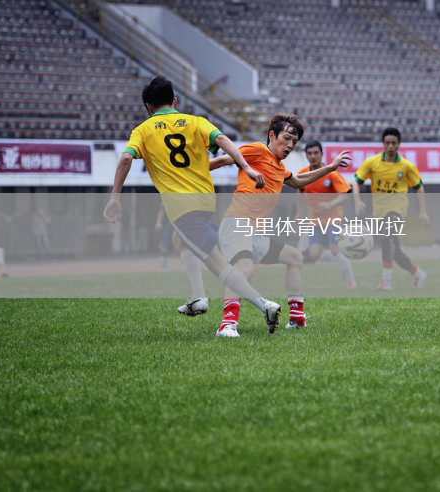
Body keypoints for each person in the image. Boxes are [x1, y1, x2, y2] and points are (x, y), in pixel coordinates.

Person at [103, 75, 281, 337]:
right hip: (205, 202)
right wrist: (246, 167)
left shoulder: (143, 130)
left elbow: (125, 160)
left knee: (218, 265)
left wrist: (114, 198)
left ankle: (264, 306)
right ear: (175, 101)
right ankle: (199, 297)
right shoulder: (196, 122)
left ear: (148, 106)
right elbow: (223, 141)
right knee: (179, 240)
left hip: (182, 208)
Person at [210, 114, 351, 335]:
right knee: (245, 268)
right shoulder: (258, 150)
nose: (290, 145)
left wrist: (331, 167)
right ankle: (227, 324)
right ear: (272, 135)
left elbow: (298, 181)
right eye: (286, 138)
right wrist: (188, 175)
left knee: (294, 257)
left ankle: (296, 318)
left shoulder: (279, 167)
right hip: (237, 223)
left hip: (256, 232)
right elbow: (221, 161)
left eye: (294, 141)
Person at [351, 127, 430, 290]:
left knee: (387, 237)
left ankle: (386, 281)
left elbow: (419, 188)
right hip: (379, 212)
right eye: (388, 143)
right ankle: (418, 274)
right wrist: (357, 201)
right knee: (395, 252)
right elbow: (356, 182)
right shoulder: (372, 163)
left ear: (399, 144)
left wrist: (423, 211)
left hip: (398, 209)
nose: (391, 146)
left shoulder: (406, 166)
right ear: (383, 144)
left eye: (394, 143)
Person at [294, 140, 357, 288]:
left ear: (321, 154)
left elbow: (345, 196)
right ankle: (344, 256)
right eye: (309, 153)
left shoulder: (331, 174)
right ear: (306, 155)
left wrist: (329, 204)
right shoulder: (303, 174)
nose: (313, 156)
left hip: (333, 219)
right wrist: (298, 213)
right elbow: (300, 191)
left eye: (316, 153)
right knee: (314, 254)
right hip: (315, 221)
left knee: (335, 249)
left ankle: (350, 281)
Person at [155, 203, 174, 273]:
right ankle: (163, 268)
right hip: (170, 224)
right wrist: (158, 222)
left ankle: (186, 266)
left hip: (181, 223)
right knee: (163, 247)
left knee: (184, 246)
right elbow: (162, 210)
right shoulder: (166, 198)